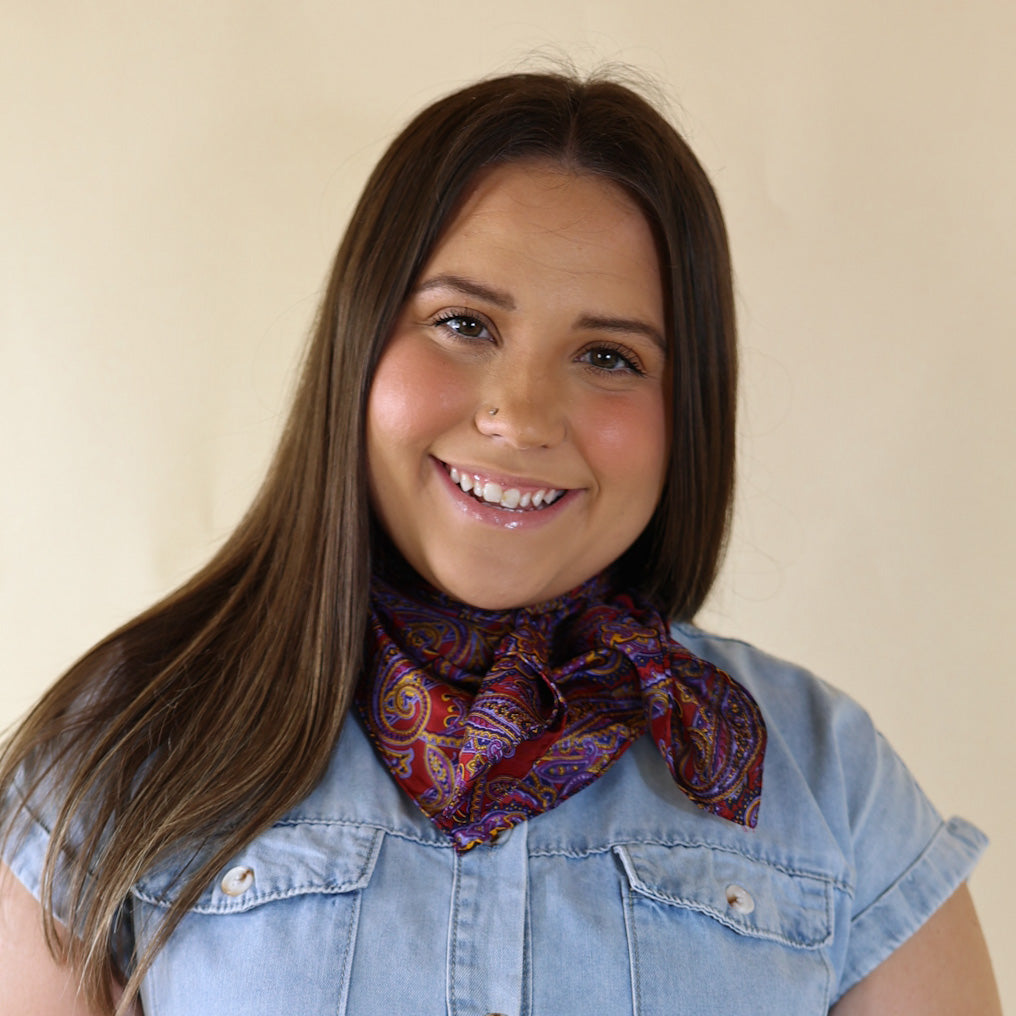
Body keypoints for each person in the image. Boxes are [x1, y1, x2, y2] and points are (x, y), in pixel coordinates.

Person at [0, 71, 1001, 1016]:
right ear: (360, 342)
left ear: (687, 411)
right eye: (464, 323)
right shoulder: (123, 745)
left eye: (607, 355)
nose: (520, 416)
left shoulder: (827, 780)